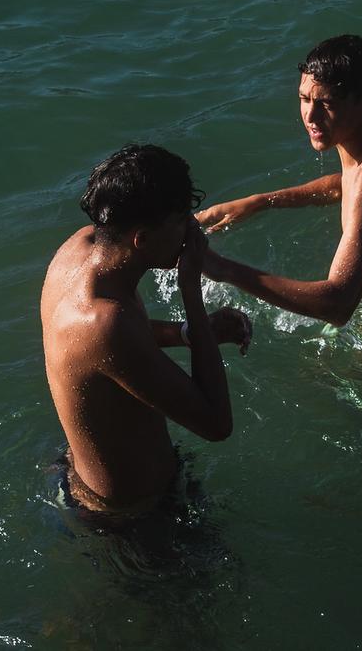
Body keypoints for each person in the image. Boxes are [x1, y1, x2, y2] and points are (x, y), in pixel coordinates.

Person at [41, 144, 252, 518]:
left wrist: (187, 333)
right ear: (141, 239)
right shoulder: (106, 323)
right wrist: (191, 291)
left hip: (80, 475)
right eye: (180, 220)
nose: (192, 229)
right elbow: (217, 424)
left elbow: (109, 347)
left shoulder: (78, 250)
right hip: (134, 519)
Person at [197, 35, 362, 326]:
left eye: (326, 103)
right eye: (304, 98)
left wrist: (219, 267)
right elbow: (346, 182)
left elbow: (337, 305)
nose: (311, 116)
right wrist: (260, 202)